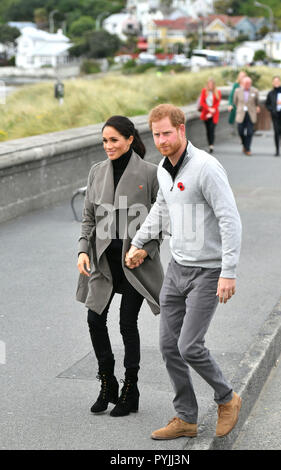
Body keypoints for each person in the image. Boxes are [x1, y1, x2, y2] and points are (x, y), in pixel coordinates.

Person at [126, 104, 242, 440]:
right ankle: (186, 417)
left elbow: (229, 219)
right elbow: (162, 209)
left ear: (181, 130)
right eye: (156, 134)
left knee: (190, 345)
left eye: (166, 133)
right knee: (168, 346)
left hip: (208, 270)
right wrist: (138, 243)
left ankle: (226, 398)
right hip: (177, 267)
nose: (161, 140)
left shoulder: (206, 167)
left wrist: (229, 271)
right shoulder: (163, 168)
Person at [76, 115, 164, 417]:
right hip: (103, 260)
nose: (108, 146)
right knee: (94, 319)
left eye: (114, 140)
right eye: (104, 141)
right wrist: (82, 251)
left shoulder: (151, 173)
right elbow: (88, 218)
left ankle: (131, 388)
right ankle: (108, 382)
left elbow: (161, 221)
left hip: (134, 263)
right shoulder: (96, 172)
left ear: (129, 139)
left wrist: (145, 250)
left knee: (127, 323)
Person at [234, 76, 260, 156]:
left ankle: (248, 148)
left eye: (249, 83)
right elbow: (235, 102)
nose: (247, 84)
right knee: (240, 131)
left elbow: (257, 102)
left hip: (250, 114)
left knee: (249, 132)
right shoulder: (237, 91)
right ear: (242, 83)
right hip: (241, 114)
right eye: (246, 83)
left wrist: (256, 107)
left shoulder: (255, 91)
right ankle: (244, 144)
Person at [198, 78, 221, 153]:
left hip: (214, 114)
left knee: (212, 129)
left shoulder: (218, 92)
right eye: (209, 84)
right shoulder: (204, 91)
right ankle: (209, 144)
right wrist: (208, 109)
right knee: (208, 130)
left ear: (214, 85)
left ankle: (211, 145)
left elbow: (218, 102)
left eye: (212, 84)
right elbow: (202, 102)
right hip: (205, 113)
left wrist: (212, 110)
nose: (210, 85)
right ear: (207, 85)